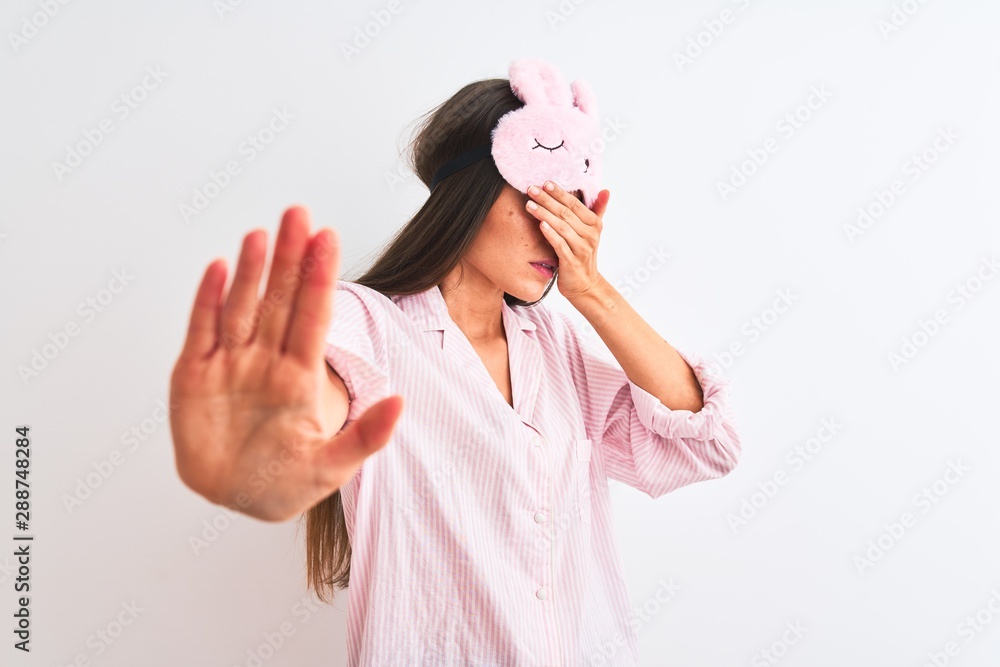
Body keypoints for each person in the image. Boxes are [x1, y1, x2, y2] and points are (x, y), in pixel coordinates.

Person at [169, 60, 742, 666]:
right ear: (467, 197)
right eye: (536, 203)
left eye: (573, 208)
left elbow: (708, 444)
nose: (557, 232)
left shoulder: (555, 346)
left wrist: (592, 291)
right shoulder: (371, 324)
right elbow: (317, 393)